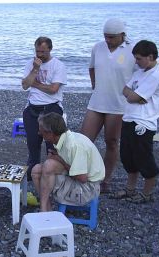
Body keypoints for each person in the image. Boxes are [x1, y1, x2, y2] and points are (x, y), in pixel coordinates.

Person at [80, 19, 136, 193]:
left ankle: (105, 179)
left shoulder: (133, 49)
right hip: (97, 102)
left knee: (111, 142)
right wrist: (95, 85)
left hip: (118, 104)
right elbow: (92, 68)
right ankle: (82, 174)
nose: (108, 40)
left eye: (111, 37)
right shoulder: (98, 47)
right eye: (105, 37)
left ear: (122, 35)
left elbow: (148, 68)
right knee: (83, 141)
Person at [116, 40, 159, 203]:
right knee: (127, 157)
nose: (136, 62)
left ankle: (147, 193)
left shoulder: (156, 74)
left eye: (138, 59)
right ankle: (130, 189)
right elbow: (125, 90)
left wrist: (134, 96)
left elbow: (132, 96)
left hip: (144, 122)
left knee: (144, 158)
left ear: (150, 57)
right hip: (129, 118)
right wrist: (134, 96)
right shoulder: (140, 72)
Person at [31, 112, 105, 212]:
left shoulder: (73, 145)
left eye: (42, 131)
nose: (39, 133)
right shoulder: (62, 139)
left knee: (48, 166)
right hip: (79, 181)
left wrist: (59, 160)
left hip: (87, 189)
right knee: (36, 170)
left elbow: (82, 178)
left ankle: (44, 210)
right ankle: (46, 208)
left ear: (50, 133)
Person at [22, 36, 67, 180]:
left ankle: (50, 172)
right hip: (32, 108)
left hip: (51, 108)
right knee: (33, 144)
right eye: (37, 51)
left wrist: (35, 84)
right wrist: (35, 69)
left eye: (43, 52)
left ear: (50, 49)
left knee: (52, 145)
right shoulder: (31, 64)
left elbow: (54, 89)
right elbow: (25, 85)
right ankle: (32, 172)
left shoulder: (58, 65)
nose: (39, 55)